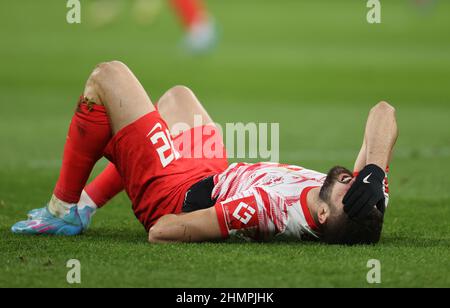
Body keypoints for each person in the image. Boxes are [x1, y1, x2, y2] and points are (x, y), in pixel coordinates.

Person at [12, 61, 398, 245]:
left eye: (352, 191)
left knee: (108, 76)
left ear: (325, 213)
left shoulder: (266, 208)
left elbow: (162, 232)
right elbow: (383, 112)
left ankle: (63, 211)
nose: (351, 180)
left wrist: (216, 226)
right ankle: (89, 203)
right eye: (359, 185)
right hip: (213, 173)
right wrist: (375, 173)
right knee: (177, 98)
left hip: (173, 193)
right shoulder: (360, 193)